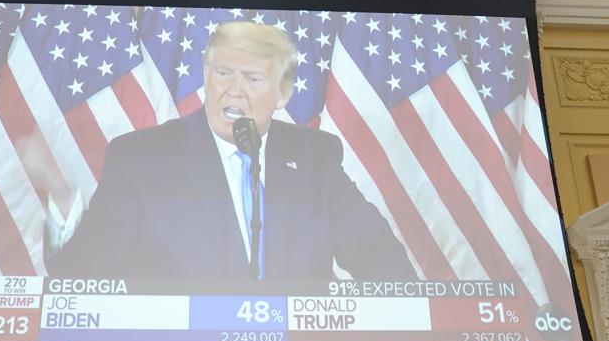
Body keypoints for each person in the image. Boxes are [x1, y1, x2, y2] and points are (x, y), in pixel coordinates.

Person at [45, 20, 415, 282]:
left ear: (282, 94)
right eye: (223, 73)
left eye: (252, 79)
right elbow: (85, 274)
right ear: (206, 76)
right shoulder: (143, 158)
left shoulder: (314, 157)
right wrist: (63, 204)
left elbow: (379, 257)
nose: (233, 90)